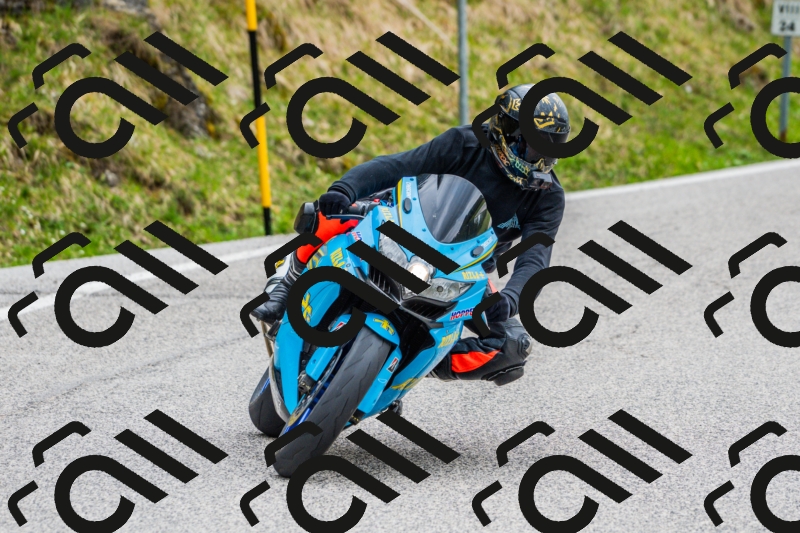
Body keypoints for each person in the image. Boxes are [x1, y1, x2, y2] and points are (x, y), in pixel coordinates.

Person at [252, 84, 569, 386]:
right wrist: (345, 188)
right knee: (330, 212)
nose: (538, 161)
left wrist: (511, 299)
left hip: (463, 270)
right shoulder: (464, 143)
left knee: (512, 346)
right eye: (530, 147)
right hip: (402, 222)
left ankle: (404, 369)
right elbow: (399, 165)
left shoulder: (548, 197)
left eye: (547, 152)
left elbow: (535, 258)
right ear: (505, 130)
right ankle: (286, 284)